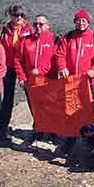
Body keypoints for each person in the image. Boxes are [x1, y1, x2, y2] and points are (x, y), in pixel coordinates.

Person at [55, 9, 94, 155]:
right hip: (71, 81)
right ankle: (71, 138)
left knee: (88, 111)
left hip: (88, 82)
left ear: (88, 22)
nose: (81, 23)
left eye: (84, 20)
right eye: (78, 20)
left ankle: (90, 140)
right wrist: (62, 67)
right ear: (75, 22)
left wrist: (93, 71)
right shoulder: (69, 37)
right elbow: (60, 54)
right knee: (71, 110)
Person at [15, 14, 57, 143]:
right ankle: (39, 129)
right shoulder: (26, 41)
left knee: (50, 106)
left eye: (41, 24)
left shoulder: (53, 40)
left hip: (48, 80)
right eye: (35, 24)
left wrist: (41, 70)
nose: (38, 26)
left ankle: (53, 131)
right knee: (35, 107)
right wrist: (22, 77)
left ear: (47, 26)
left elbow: (55, 60)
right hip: (31, 82)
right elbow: (17, 60)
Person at [0, 4, 32, 138]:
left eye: (21, 15)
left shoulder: (29, 30)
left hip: (25, 67)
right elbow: (1, 47)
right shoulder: (5, 30)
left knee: (31, 96)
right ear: (11, 16)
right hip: (9, 66)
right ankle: (3, 126)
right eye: (16, 15)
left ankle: (39, 126)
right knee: (8, 97)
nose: (19, 18)